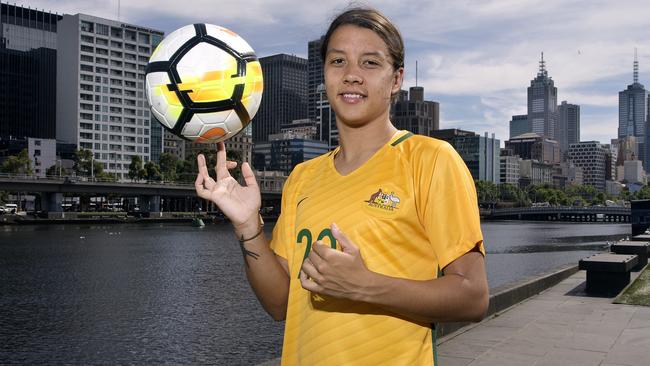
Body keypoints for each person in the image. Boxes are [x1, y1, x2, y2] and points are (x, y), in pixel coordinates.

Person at [195, 7, 488, 365]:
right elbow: (279, 304)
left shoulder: (431, 160)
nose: (351, 75)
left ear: (396, 79)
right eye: (338, 61)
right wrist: (247, 226)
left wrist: (366, 285)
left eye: (369, 63)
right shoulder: (303, 176)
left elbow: (473, 297)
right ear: (324, 75)